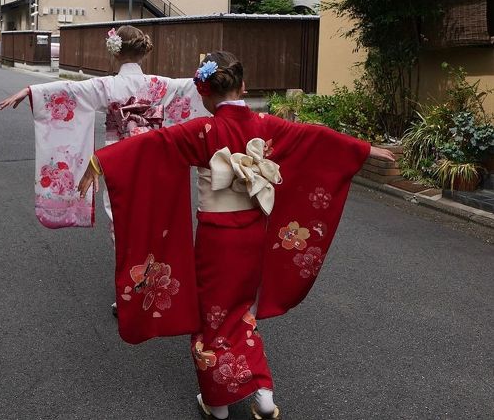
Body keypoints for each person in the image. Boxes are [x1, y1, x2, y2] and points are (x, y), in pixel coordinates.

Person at [78, 51, 395, 419]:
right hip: (253, 235)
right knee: (241, 311)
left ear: (204, 94)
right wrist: (362, 149)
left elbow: (152, 146)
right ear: (243, 86)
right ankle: (262, 393)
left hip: (217, 238)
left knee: (212, 316)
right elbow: (315, 139)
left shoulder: (204, 130)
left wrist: (102, 161)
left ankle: (218, 404)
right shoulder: (265, 124)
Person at [0, 25, 206, 229]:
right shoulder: (160, 84)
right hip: (152, 154)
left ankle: (124, 255)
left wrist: (31, 91)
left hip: (117, 155)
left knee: (120, 208)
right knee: (151, 209)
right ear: (143, 53)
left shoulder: (107, 85)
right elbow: (189, 87)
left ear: (115, 53)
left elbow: (70, 90)